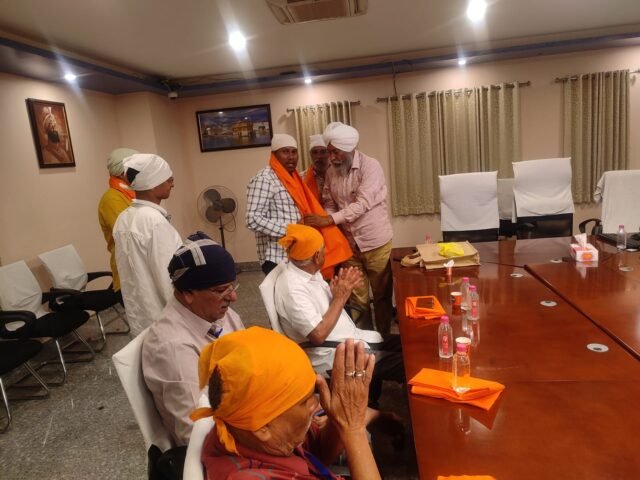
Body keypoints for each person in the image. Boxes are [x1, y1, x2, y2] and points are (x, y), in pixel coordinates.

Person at [191, 327, 381, 480]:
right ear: (263, 427)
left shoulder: (261, 430)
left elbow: (320, 452)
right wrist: (354, 429)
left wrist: (337, 420)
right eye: (304, 401)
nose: (315, 405)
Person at [274, 224, 404, 408]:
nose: (326, 253)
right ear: (316, 256)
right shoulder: (292, 289)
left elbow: (322, 308)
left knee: (408, 345)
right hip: (333, 353)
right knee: (407, 364)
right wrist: (340, 297)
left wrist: (337, 291)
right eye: (324, 250)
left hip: (352, 338)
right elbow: (318, 335)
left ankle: (370, 398)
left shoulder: (306, 270)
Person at [142, 232, 244, 446]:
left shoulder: (216, 312)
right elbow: (196, 435)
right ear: (188, 294)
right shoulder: (173, 347)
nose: (233, 297)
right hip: (224, 444)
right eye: (221, 290)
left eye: (232, 287)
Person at [304, 123, 394, 335]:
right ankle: (365, 339)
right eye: (329, 152)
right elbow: (329, 201)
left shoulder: (370, 167)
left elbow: (362, 204)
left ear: (349, 148)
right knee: (356, 297)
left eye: (335, 152)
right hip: (349, 245)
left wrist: (329, 220)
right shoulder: (331, 171)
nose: (331, 157)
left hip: (375, 242)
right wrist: (328, 216)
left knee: (381, 295)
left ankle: (384, 337)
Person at [246, 134, 351, 279]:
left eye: (294, 152)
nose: (291, 157)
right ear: (274, 154)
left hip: (298, 253)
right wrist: (291, 229)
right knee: (285, 293)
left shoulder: (294, 178)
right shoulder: (264, 179)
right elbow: (252, 219)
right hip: (276, 255)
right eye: (285, 152)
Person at [113, 153, 182, 337]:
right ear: (153, 184)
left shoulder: (123, 218)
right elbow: (168, 275)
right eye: (169, 180)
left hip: (139, 315)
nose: (172, 184)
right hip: (164, 317)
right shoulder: (154, 222)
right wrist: (187, 313)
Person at [97, 147, 138, 292]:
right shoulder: (112, 199)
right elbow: (131, 235)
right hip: (130, 273)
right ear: (122, 173)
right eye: (137, 167)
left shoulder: (134, 194)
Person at [302, 134, 329, 203]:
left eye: (323, 152)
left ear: (329, 153)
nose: (319, 156)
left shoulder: (338, 176)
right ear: (310, 155)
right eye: (314, 152)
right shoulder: (302, 178)